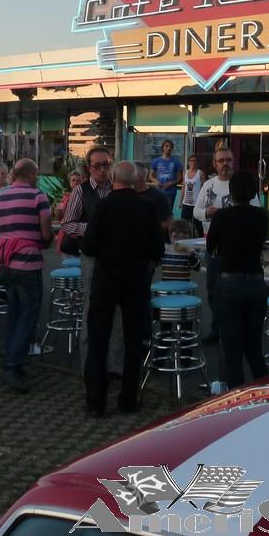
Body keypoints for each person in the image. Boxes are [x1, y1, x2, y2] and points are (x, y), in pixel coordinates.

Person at [81, 160, 163, 416]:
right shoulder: (147, 207)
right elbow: (158, 248)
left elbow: (89, 246)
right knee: (133, 341)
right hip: (136, 281)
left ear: (113, 178)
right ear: (135, 179)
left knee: (98, 339)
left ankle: (96, 402)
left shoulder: (103, 206)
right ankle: (128, 399)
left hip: (106, 279)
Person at [0, 158, 52, 393]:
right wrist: (30, 241)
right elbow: (46, 235)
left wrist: (9, 241)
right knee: (28, 316)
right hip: (28, 264)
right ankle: (12, 368)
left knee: (14, 313)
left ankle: (12, 361)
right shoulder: (38, 197)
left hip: (5, 264)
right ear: (31, 175)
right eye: (36, 174)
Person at [206, 170, 269, 389]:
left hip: (230, 279)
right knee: (254, 346)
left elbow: (211, 247)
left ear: (231, 192)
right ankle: (264, 391)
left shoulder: (222, 216)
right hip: (255, 279)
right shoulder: (261, 216)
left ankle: (235, 393)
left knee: (231, 346)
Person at [193, 147, 259, 343]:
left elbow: (256, 210)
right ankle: (217, 329)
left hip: (239, 248)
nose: (225, 164)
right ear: (214, 164)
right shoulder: (209, 186)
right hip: (214, 247)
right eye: (221, 160)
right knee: (214, 289)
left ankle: (238, 330)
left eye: (228, 160)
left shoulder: (242, 185)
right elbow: (196, 211)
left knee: (237, 291)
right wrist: (206, 213)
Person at [62, 147, 115, 368]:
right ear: (89, 168)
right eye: (97, 166)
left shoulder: (116, 188)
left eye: (106, 164)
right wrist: (93, 228)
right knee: (91, 309)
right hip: (92, 256)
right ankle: (89, 365)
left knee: (115, 310)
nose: (102, 170)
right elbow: (68, 225)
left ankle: (113, 364)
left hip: (116, 257)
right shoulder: (81, 191)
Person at [135, 162, 173, 238]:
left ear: (137, 176)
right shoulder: (128, 195)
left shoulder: (158, 196)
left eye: (128, 175)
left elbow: (169, 222)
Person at [149, 139, 183, 210]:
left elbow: (180, 178)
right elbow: (150, 175)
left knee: (168, 212)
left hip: (171, 192)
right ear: (163, 148)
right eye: (167, 146)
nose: (169, 148)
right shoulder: (156, 161)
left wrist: (170, 183)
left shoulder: (176, 162)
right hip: (159, 191)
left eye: (170, 146)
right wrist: (156, 182)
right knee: (158, 211)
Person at [179, 155, 204, 233]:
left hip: (196, 203)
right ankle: (184, 238)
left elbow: (205, 188)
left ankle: (200, 238)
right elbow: (183, 187)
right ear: (188, 162)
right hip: (186, 203)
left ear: (197, 163)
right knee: (183, 223)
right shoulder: (185, 172)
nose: (193, 162)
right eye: (191, 160)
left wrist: (203, 201)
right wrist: (180, 201)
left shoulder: (200, 173)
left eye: (195, 161)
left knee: (198, 224)